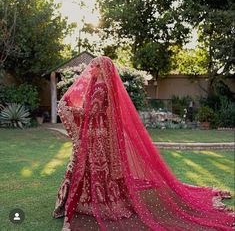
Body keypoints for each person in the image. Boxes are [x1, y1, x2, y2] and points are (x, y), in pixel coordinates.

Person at [53, 56, 234, 231]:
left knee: (98, 165)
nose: (91, 69)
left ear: (102, 69)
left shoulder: (100, 87)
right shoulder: (103, 86)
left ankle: (100, 201)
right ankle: (101, 198)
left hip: (98, 133)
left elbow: (92, 113)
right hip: (100, 132)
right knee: (101, 166)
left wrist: (70, 110)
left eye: (95, 66)